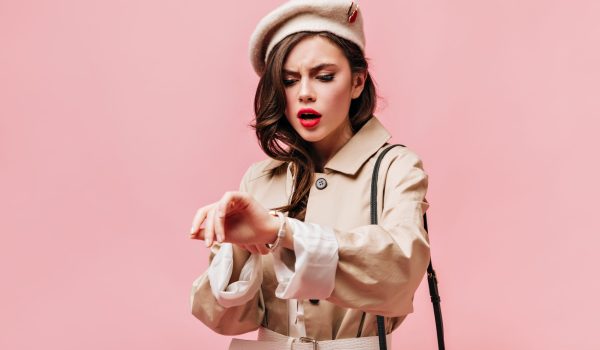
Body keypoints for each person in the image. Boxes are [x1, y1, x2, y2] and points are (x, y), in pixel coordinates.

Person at [189, 0, 431, 348]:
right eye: (289, 80)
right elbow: (222, 318)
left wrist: (281, 231)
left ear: (358, 82)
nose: (304, 93)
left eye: (324, 76)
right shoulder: (259, 180)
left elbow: (399, 271)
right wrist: (241, 249)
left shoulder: (396, 168)